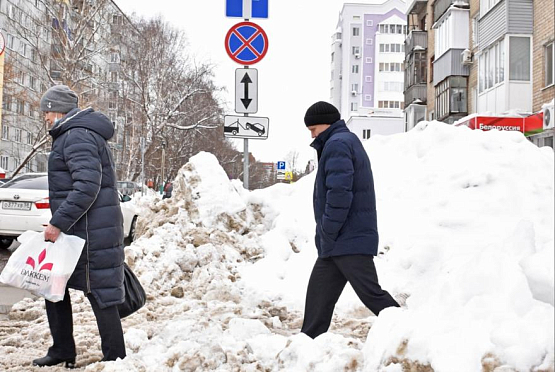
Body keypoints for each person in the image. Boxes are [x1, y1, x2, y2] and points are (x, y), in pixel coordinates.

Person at [33, 85, 126, 368]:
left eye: (46, 111)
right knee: (54, 287)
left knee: (100, 295)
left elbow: (86, 187)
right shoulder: (74, 134)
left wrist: (58, 222)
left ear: (56, 109)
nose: (46, 118)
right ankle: (62, 349)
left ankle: (115, 358)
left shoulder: (76, 136)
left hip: (88, 233)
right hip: (82, 229)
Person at [301, 101, 400, 339]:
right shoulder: (342, 141)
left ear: (326, 123)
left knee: (372, 295)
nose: (312, 134)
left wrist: (328, 229)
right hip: (340, 241)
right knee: (318, 293)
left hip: (347, 239)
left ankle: (408, 332)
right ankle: (307, 342)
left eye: (313, 129)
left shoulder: (337, 144)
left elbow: (339, 194)